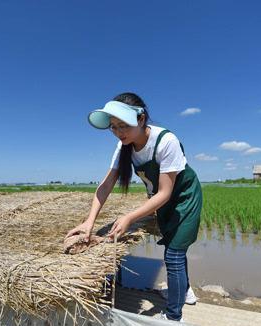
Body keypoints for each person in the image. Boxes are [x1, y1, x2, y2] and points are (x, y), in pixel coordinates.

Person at [65, 92, 203, 322]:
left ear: (141, 119)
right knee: (173, 245)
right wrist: (89, 222)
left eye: (123, 126)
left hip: (183, 200)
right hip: (159, 199)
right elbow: (106, 184)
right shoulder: (123, 147)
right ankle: (185, 291)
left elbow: (166, 192)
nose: (119, 133)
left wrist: (129, 217)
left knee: (174, 254)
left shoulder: (165, 141)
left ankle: (173, 316)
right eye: (113, 127)